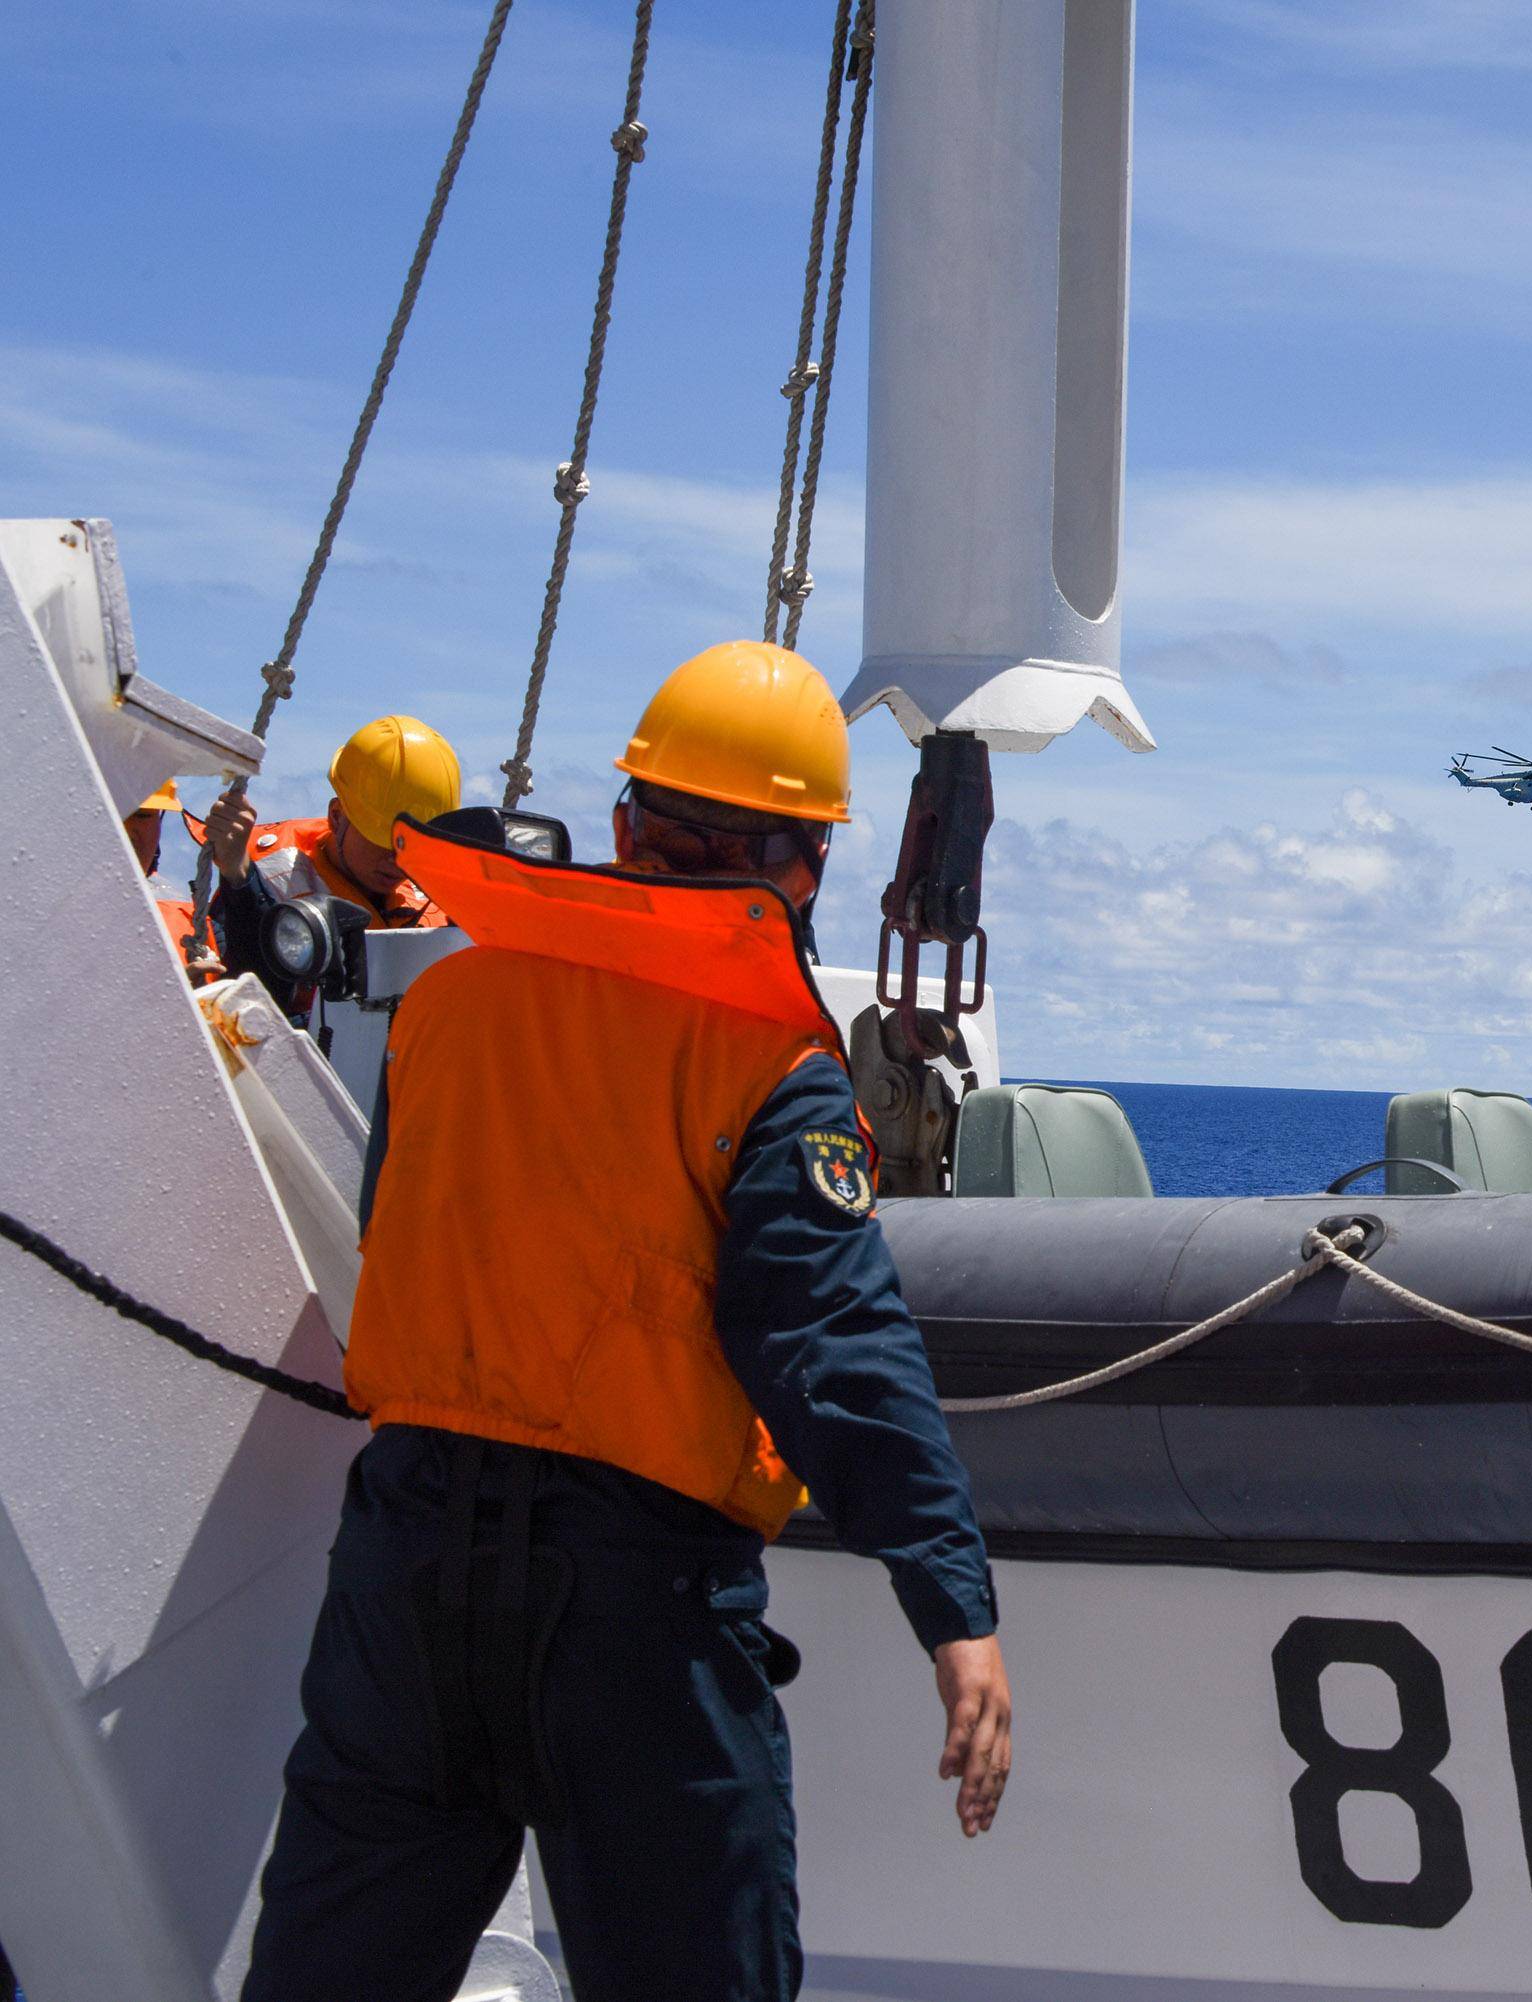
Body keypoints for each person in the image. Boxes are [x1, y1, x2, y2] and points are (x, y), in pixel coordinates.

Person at [242, 643, 1009, 2002]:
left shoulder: (446, 1005)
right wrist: (955, 1606)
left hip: (400, 1582)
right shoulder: (770, 1065)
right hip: (632, 1616)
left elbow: (403, 1232)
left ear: (622, 828)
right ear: (806, 870)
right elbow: (832, 1347)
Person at [203, 713, 461, 1011]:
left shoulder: (439, 902)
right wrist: (239, 878)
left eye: (412, 847)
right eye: (380, 841)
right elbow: (248, 996)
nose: (396, 861)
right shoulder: (271, 884)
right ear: (337, 817)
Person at [123, 777, 223, 981]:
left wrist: (239, 873)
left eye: (142, 815)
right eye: (112, 816)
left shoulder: (192, 920)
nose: (124, 831)